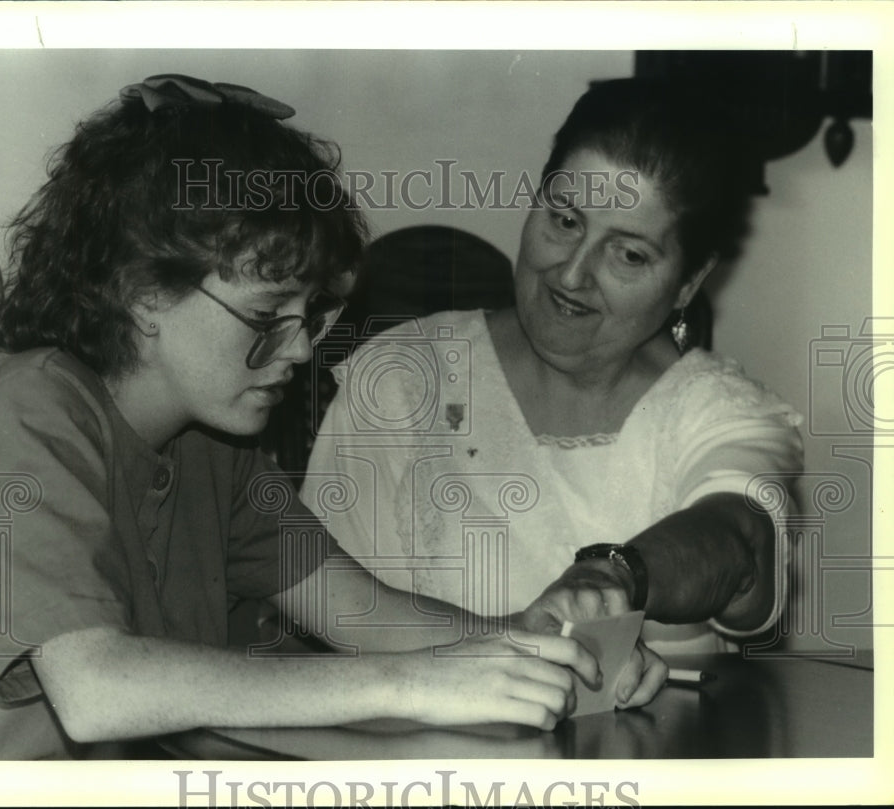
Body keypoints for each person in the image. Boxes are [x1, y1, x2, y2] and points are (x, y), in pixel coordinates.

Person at [0, 74, 667, 761]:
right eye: (264, 314)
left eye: (308, 312)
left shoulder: (211, 444)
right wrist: (409, 684)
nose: (303, 345)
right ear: (143, 291)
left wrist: (547, 647)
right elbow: (93, 686)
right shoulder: (29, 412)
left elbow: (363, 610)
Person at [302, 78, 804, 656]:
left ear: (688, 282)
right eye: (565, 221)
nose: (571, 275)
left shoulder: (722, 414)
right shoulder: (399, 379)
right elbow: (324, 620)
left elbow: (737, 537)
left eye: (630, 254)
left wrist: (616, 577)